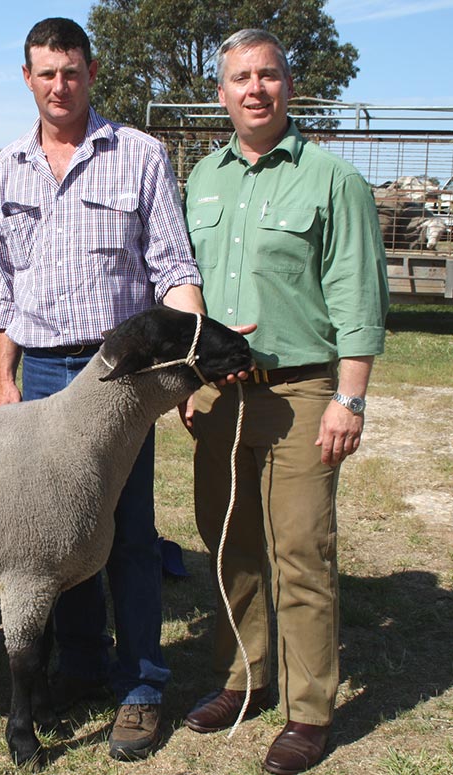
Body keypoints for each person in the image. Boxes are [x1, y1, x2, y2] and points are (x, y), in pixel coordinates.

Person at [0, 17, 206, 762]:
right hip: (44, 371)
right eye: (45, 72)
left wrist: (190, 369)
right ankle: (81, 664)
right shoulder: (6, 166)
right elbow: (3, 288)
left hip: (122, 379)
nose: (59, 85)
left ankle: (141, 685)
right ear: (27, 77)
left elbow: (174, 268)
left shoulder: (139, 154)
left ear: (92, 70)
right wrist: (6, 376)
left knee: (130, 533)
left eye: (71, 71)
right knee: (56, 537)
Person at [182, 29, 388, 775]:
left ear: (288, 86)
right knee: (228, 537)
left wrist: (350, 399)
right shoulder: (203, 177)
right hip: (224, 395)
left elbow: (358, 296)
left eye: (268, 74)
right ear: (222, 92)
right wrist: (186, 374)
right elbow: (185, 290)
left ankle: (309, 708)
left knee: (300, 548)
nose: (255, 88)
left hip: (302, 391)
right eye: (240, 77)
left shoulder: (332, 180)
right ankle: (244, 676)